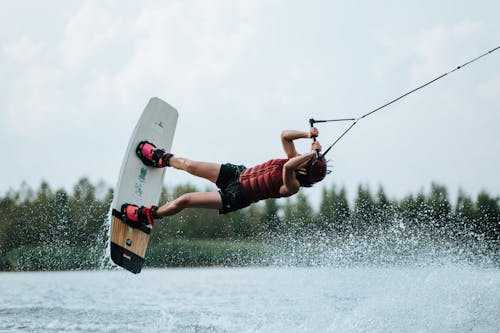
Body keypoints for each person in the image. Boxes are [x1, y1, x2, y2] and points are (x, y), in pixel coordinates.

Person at [121, 128, 328, 226]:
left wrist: (312, 154)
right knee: (190, 165)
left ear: (305, 171)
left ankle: (148, 215)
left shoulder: (293, 185)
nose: (300, 155)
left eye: (306, 160)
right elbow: (284, 135)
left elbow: (288, 168)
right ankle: (160, 158)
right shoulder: (295, 159)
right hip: (237, 173)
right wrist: (307, 135)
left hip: (236, 197)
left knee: (185, 200)